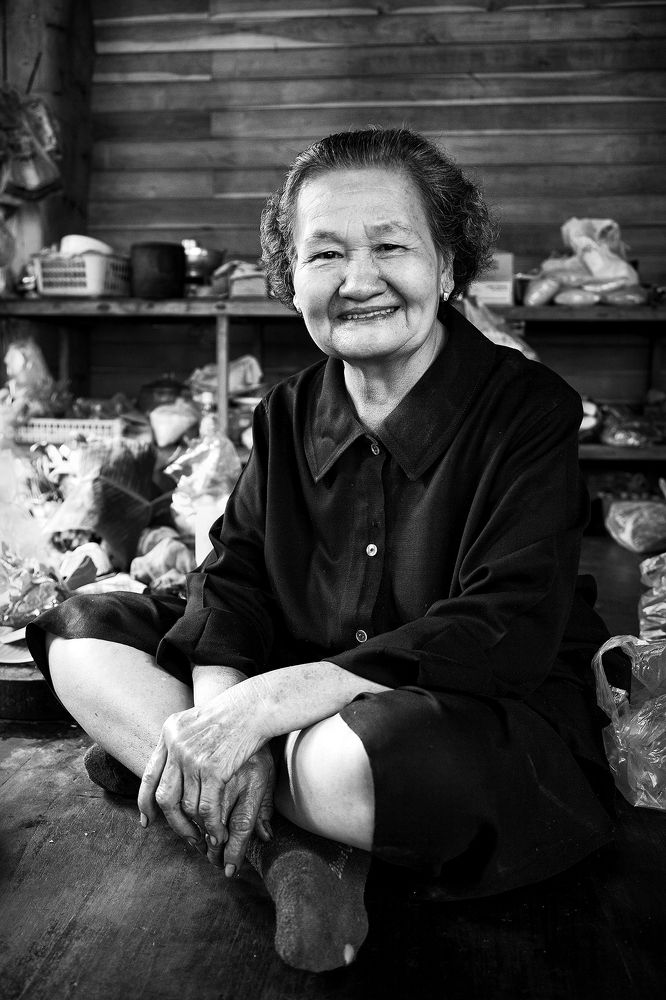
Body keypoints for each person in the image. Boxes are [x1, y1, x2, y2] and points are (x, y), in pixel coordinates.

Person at [26, 126, 624, 974]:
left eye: (391, 246)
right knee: (80, 631)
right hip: (295, 672)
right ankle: (289, 848)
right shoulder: (285, 412)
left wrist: (261, 709)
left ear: (447, 267)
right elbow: (231, 580)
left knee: (365, 761)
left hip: (460, 707)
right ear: (291, 278)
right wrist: (222, 718)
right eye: (326, 254)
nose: (359, 280)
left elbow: (503, 626)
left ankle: (169, 764)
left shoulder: (528, 412)